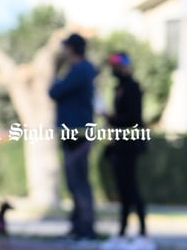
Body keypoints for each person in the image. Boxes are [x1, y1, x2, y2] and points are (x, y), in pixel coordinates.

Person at [48, 32, 98, 242]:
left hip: (77, 132)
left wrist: (56, 75)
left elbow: (54, 91)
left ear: (72, 49)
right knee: (74, 180)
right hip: (74, 130)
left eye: (66, 47)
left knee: (78, 181)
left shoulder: (80, 71)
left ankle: (85, 228)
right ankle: (78, 225)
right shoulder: (81, 70)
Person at [102, 51, 149, 246]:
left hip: (129, 145)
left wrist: (111, 118)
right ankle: (123, 231)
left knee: (130, 188)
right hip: (121, 144)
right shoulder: (119, 88)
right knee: (124, 189)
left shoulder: (132, 88)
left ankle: (142, 232)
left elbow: (132, 118)